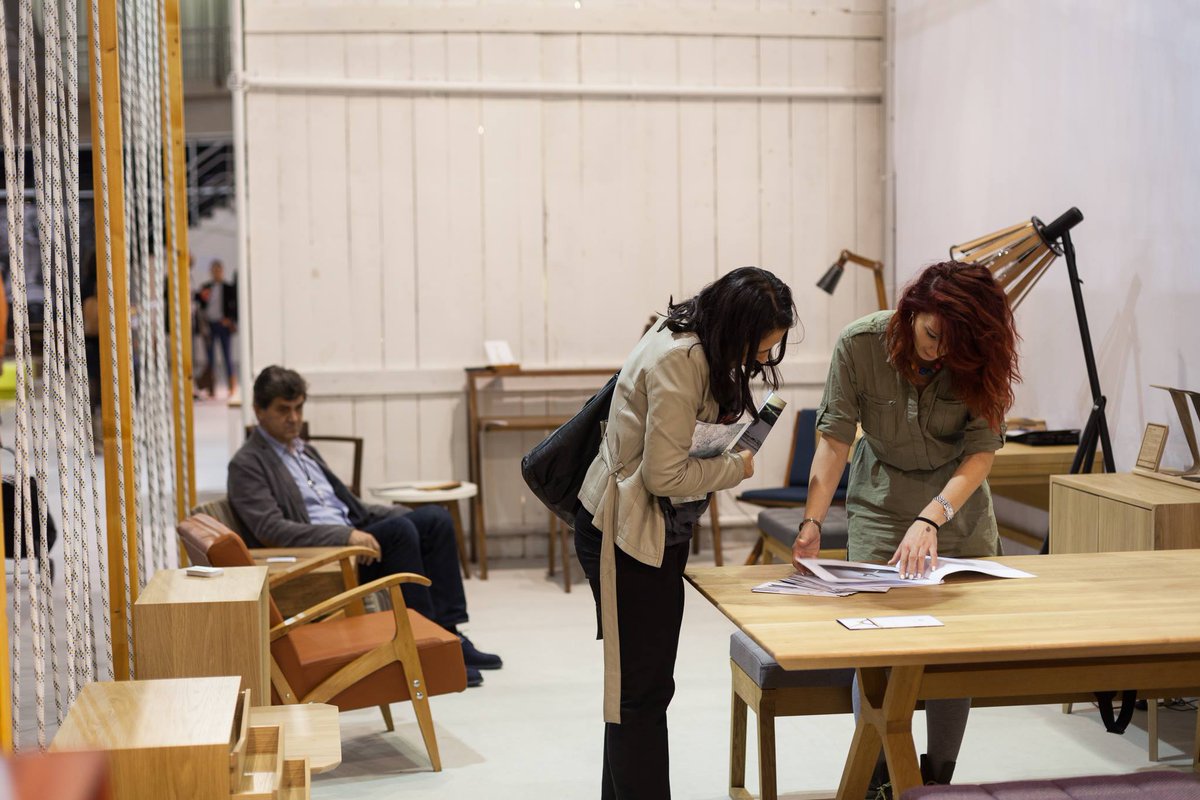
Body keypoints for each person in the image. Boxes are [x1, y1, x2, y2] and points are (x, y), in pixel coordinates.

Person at [792, 261, 1020, 791]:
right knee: (875, 646)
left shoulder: (977, 356)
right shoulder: (860, 344)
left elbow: (980, 456)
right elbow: (834, 441)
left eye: (953, 344)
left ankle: (937, 780)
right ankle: (878, 777)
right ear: (912, 310)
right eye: (932, 334)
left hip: (955, 511)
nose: (938, 351)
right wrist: (812, 522)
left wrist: (932, 517)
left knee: (953, 651)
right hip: (881, 505)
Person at [574, 267, 797, 799]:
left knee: (640, 691)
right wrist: (736, 468)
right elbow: (664, 475)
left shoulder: (687, 329)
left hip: (647, 528)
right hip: (628, 533)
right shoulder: (682, 357)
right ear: (735, 329)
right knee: (641, 696)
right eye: (759, 351)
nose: (761, 362)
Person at [228, 365, 501, 687]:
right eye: (283, 410)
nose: (293, 417)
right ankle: (424, 651)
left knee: (434, 518)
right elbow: (272, 529)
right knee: (401, 533)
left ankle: (449, 635)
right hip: (327, 557)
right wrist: (345, 536)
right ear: (259, 411)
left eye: (299, 408)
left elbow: (349, 508)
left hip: (355, 540)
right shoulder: (247, 463)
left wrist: (393, 512)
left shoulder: (304, 450)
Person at [195, 259, 237, 397]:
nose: (216, 273)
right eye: (214, 270)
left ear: (222, 271)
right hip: (210, 326)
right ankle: (211, 387)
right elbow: (200, 303)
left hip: (223, 325)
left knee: (227, 356)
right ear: (211, 272)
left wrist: (230, 320)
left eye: (218, 270)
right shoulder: (206, 287)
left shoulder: (228, 287)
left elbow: (235, 306)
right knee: (210, 358)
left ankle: (232, 386)